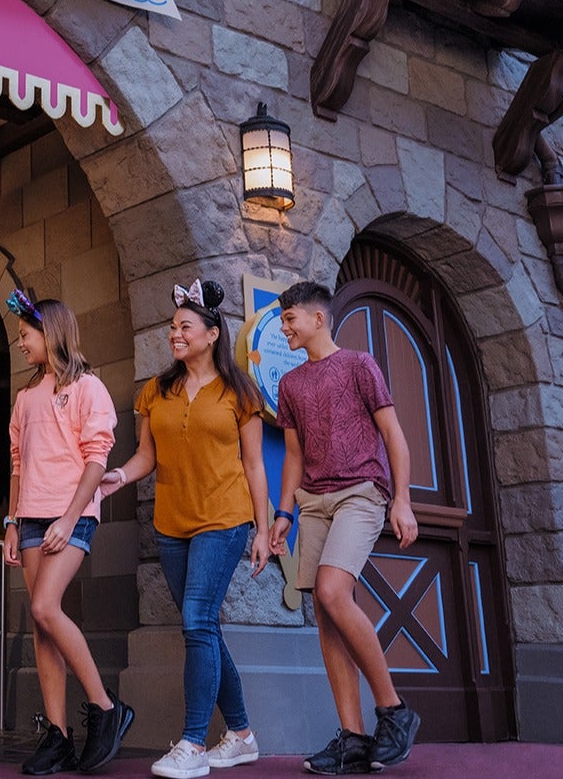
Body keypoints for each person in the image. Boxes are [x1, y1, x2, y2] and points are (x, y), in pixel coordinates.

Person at [96, 280, 270, 779]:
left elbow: (255, 466)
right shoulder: (156, 390)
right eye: (173, 327)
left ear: (211, 334)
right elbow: (147, 455)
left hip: (225, 518)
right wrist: (119, 476)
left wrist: (262, 529)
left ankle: (193, 743)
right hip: (172, 524)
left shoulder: (240, 392)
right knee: (204, 627)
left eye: (184, 327)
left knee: (196, 622)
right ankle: (240, 734)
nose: (174, 334)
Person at [265, 282, 421, 775]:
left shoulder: (359, 365)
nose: (285, 327)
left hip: (361, 492)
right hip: (312, 503)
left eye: (291, 318)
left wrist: (403, 500)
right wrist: (283, 514)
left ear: (318, 318)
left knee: (334, 591)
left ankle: (394, 711)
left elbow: (394, 435)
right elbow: (292, 456)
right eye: (282, 320)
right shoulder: (290, 386)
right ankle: (353, 737)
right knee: (326, 615)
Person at [2, 290, 134, 775]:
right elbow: (17, 464)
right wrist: (13, 522)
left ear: (51, 332)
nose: (21, 344)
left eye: (25, 335)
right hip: (32, 516)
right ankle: (56, 735)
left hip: (71, 514)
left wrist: (70, 517)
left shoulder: (88, 388)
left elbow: (97, 459)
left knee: (44, 606)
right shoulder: (24, 397)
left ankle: (104, 707)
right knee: (41, 623)